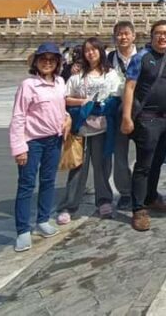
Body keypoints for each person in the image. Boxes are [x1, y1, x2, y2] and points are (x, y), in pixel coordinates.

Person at [9, 43, 72, 252]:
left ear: (57, 63)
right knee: (26, 184)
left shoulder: (60, 82)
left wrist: (67, 118)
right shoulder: (28, 85)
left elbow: (61, 107)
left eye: (52, 60)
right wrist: (19, 147)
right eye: (43, 59)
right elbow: (18, 116)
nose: (47, 63)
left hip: (53, 140)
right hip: (32, 141)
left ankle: (43, 219)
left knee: (48, 180)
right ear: (36, 62)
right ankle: (22, 230)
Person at [121, 20, 166, 232]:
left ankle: (152, 197)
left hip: (165, 119)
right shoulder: (141, 58)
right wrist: (127, 118)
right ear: (151, 36)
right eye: (158, 33)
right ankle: (139, 208)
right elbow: (129, 87)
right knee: (144, 165)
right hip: (145, 119)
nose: (162, 37)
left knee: (157, 162)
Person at [57, 37, 122, 223]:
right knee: (78, 166)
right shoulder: (76, 75)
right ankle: (69, 205)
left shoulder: (111, 74)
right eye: (87, 50)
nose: (91, 53)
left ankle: (103, 200)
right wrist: (83, 103)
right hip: (80, 127)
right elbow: (66, 97)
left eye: (94, 49)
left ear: (101, 51)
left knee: (102, 165)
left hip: (103, 126)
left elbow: (117, 95)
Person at [107, 21, 138, 211]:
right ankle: (125, 192)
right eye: (119, 34)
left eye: (127, 33)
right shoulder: (108, 58)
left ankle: (146, 190)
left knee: (145, 153)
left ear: (134, 36)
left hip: (140, 107)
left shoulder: (143, 57)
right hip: (117, 107)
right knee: (120, 154)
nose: (123, 37)